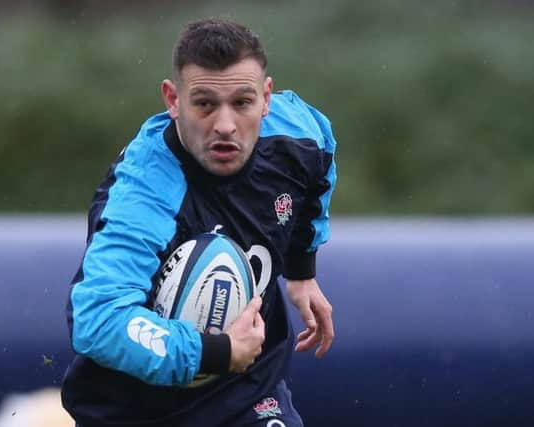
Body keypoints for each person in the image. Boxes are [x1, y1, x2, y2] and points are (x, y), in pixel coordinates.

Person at [61, 17, 337, 427]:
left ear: (266, 98)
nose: (225, 125)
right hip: (136, 412)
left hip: (248, 393)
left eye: (242, 103)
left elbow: (320, 166)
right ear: (173, 100)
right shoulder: (143, 194)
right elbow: (98, 320)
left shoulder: (299, 134)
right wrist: (218, 352)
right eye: (205, 104)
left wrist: (301, 269)